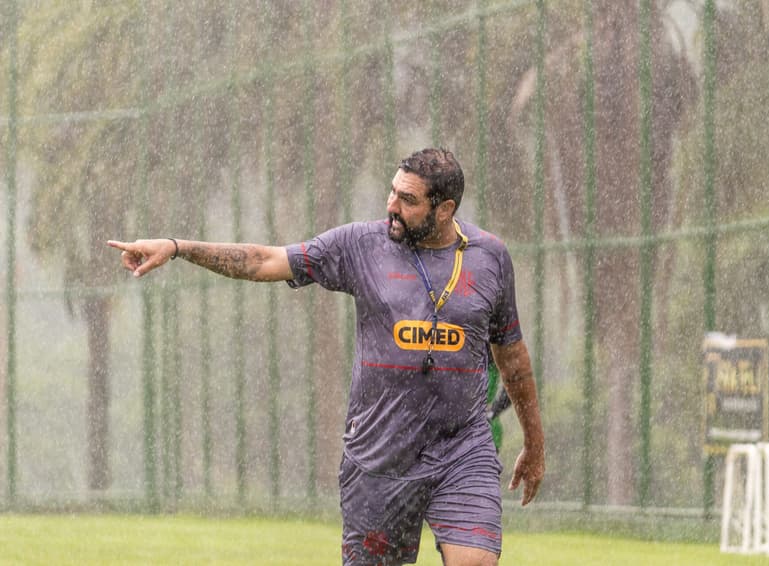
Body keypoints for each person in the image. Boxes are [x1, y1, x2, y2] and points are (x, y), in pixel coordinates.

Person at [108, 148, 545, 566]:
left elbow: (513, 358)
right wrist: (179, 246)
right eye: (392, 191)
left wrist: (535, 444)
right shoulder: (360, 245)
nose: (391, 205)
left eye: (407, 200)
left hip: (462, 448)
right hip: (379, 457)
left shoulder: (490, 258)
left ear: (445, 209)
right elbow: (264, 261)